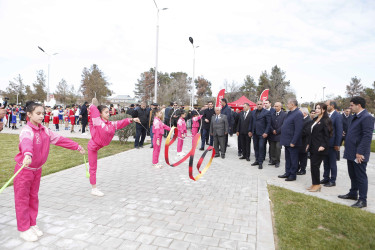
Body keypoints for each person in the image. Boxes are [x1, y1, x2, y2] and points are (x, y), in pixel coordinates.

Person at [13, 101, 85, 242]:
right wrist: (27, 154)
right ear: (29, 114)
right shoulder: (26, 130)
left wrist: (76, 146)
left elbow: (60, 140)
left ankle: (32, 223)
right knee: (22, 199)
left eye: (43, 113)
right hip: (24, 170)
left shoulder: (45, 130)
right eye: (38, 113)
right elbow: (26, 142)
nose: (41, 116)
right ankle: (23, 228)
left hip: (37, 171)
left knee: (34, 197)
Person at [88, 98, 139, 196]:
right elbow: (94, 111)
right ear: (100, 114)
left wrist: (132, 119)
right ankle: (94, 189)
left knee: (94, 168)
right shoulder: (97, 121)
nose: (109, 114)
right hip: (93, 147)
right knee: (93, 168)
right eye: (106, 112)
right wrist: (93, 104)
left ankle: (94, 188)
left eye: (109, 112)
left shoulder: (110, 124)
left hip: (99, 145)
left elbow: (120, 123)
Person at [339, 97, 374, 208]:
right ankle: (353, 193)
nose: (350, 107)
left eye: (352, 105)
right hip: (351, 152)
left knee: (360, 176)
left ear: (359, 105)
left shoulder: (367, 117)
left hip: (358, 153)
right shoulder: (355, 116)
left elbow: (367, 137)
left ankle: (362, 200)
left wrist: (360, 152)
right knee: (352, 175)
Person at [306, 103, 332, 192]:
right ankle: (314, 183)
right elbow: (312, 133)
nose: (316, 110)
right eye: (316, 108)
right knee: (312, 166)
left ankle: (317, 185)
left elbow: (327, 135)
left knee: (315, 166)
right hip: (313, 146)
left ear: (323, 110)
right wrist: (308, 144)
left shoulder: (326, 120)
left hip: (320, 147)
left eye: (318, 108)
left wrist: (323, 145)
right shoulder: (316, 119)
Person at [278, 99, 303, 181]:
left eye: (288, 104)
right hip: (287, 141)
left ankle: (292, 175)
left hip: (292, 142)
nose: (287, 105)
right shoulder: (289, 113)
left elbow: (298, 130)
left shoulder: (298, 114)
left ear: (292, 104)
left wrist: (293, 141)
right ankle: (287, 172)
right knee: (288, 159)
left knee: (293, 159)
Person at [321, 100, 343, 187]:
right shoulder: (326, 115)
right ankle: (326, 177)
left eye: (327, 105)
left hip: (332, 144)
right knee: (325, 162)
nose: (325, 107)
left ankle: (332, 180)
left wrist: (337, 144)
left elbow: (339, 131)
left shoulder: (337, 116)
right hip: (325, 143)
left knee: (332, 163)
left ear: (332, 106)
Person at [248, 101, 271, 169]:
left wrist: (266, 132)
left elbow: (268, 124)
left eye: (260, 104)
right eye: (258, 104)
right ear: (256, 105)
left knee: (261, 147)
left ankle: (260, 162)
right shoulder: (253, 112)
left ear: (263, 105)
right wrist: (250, 131)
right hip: (255, 133)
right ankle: (257, 160)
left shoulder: (266, 112)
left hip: (262, 134)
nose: (259, 105)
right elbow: (251, 122)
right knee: (255, 147)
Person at [269, 102, 286, 168]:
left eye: (277, 106)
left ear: (280, 107)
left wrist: (277, 131)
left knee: (278, 148)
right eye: (274, 106)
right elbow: (269, 123)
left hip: (279, 135)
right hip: (272, 134)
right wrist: (272, 130)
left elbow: (284, 125)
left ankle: (277, 161)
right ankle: (273, 160)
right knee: (272, 148)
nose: (275, 107)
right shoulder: (272, 114)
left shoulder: (284, 114)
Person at [297, 107, 312, 175]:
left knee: (303, 156)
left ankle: (303, 170)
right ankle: (298, 168)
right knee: (299, 156)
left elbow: (306, 132)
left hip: (305, 141)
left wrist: (296, 133)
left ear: (304, 113)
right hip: (299, 141)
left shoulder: (309, 120)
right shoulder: (301, 119)